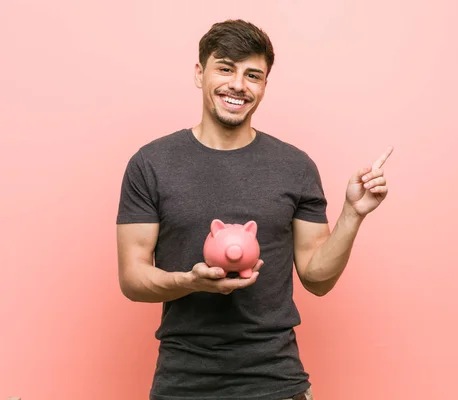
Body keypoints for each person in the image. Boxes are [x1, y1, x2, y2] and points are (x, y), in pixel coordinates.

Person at [116, 19, 392, 400]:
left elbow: (317, 278)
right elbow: (132, 279)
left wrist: (353, 213)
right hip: (183, 383)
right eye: (225, 68)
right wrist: (189, 282)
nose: (238, 85)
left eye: (253, 75)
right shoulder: (151, 163)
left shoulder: (295, 166)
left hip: (276, 383)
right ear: (200, 73)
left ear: (264, 86)